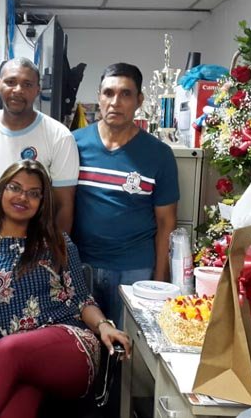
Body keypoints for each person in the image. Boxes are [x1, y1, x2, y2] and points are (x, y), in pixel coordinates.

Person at [0, 160, 131, 418]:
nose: (22, 197)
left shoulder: (57, 242)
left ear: (42, 202)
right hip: (17, 364)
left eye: (33, 193)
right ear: (1, 191)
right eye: (15, 188)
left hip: (69, 346)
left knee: (9, 350)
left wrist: (103, 325)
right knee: (15, 404)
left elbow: (82, 300)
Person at [72, 62, 179, 326]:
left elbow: (166, 222)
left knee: (129, 346)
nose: (115, 102)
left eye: (125, 94)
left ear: (139, 100)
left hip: (135, 271)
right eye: (108, 93)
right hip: (81, 267)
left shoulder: (159, 155)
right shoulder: (73, 144)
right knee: (81, 344)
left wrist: (160, 281)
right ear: (99, 96)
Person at [0, 57, 79, 233]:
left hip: (36, 244)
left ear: (38, 89)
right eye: (10, 82)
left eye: (27, 84)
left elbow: (63, 206)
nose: (18, 90)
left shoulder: (59, 137)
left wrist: (55, 248)